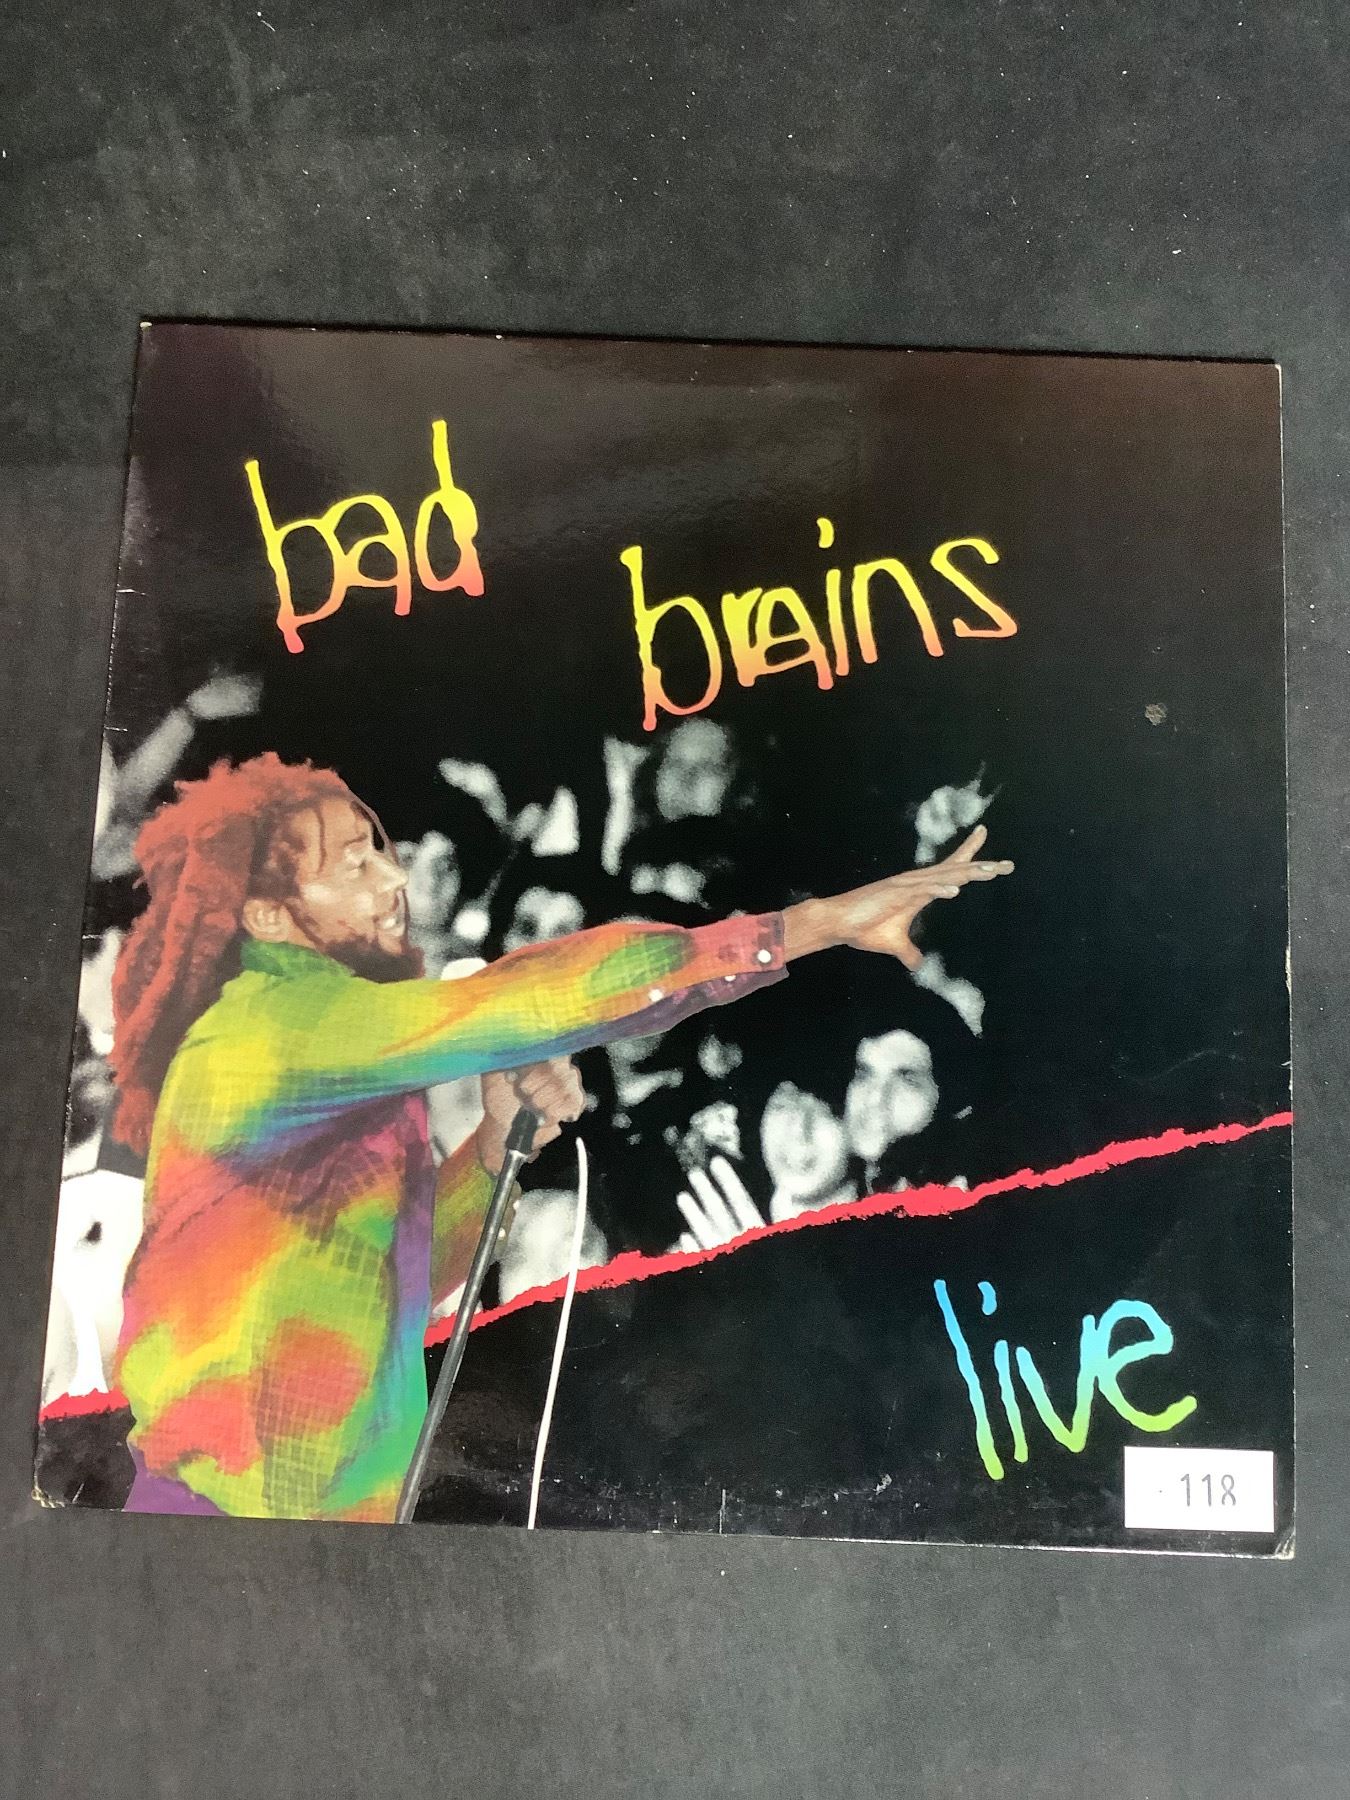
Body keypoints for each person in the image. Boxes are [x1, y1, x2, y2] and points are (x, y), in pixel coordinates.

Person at [106, 752, 1010, 1523]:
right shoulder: (273, 1027)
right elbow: (548, 992)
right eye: (354, 866)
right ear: (268, 919)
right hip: (223, 1520)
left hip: (336, 1516)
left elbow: (406, 1283)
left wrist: (493, 1143)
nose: (395, 883)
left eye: (382, 852)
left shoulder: (349, 1069)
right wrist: (812, 926)